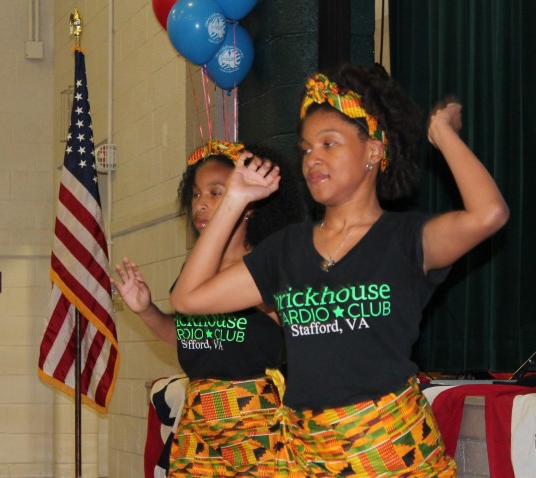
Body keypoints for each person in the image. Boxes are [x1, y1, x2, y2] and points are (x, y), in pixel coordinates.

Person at [171, 63, 509, 477]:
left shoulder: (405, 239)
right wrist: (235, 200)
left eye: (329, 144)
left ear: (374, 150)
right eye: (307, 149)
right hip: (307, 453)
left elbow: (489, 213)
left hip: (389, 449)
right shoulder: (286, 250)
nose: (313, 158)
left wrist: (442, 134)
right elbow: (187, 298)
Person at [112, 140, 304, 477]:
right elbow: (190, 337)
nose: (201, 203)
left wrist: (260, 294)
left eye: (216, 193)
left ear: (248, 203)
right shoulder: (194, 272)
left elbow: (300, 329)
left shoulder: (267, 264)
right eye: (197, 194)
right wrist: (145, 310)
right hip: (198, 414)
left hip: (255, 416)